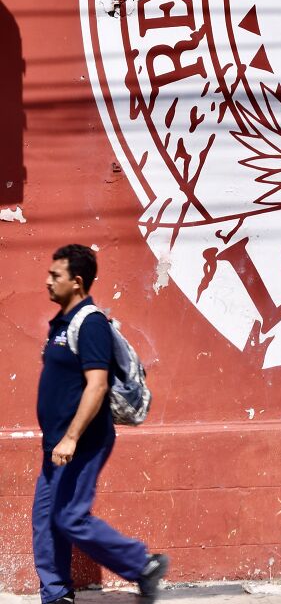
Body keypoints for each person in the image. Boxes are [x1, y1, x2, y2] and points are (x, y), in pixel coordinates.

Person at [33, 243, 168, 604]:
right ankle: (57, 594)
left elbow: (97, 385)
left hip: (81, 442)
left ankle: (142, 565)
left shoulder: (90, 324)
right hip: (57, 442)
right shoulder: (60, 323)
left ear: (76, 282)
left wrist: (72, 438)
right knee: (46, 520)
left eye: (55, 275)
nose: (48, 281)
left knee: (70, 518)